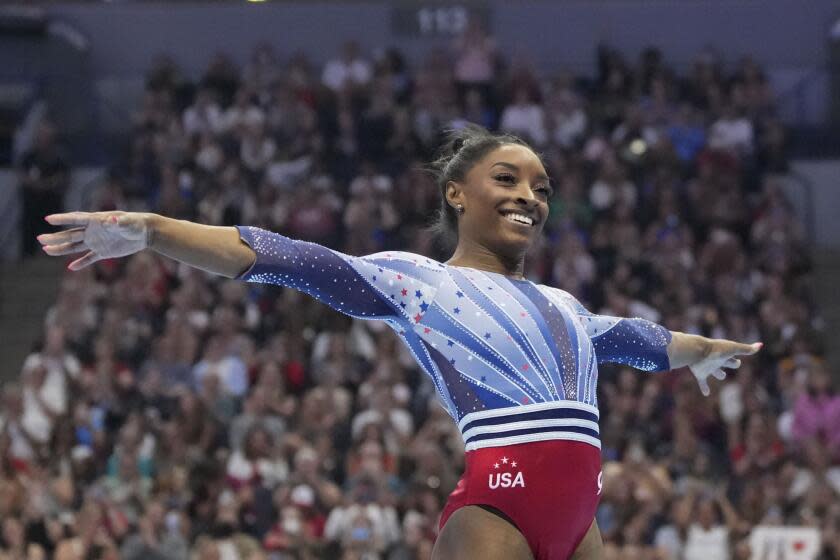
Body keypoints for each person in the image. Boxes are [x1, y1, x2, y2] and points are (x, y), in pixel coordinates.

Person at [37, 125, 761, 560]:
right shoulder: (415, 280)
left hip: (581, 521)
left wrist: (697, 350)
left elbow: (631, 338)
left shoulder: (563, 304)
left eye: (541, 187)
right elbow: (280, 256)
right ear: (456, 193)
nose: (528, 196)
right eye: (505, 179)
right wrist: (155, 230)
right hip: (498, 508)